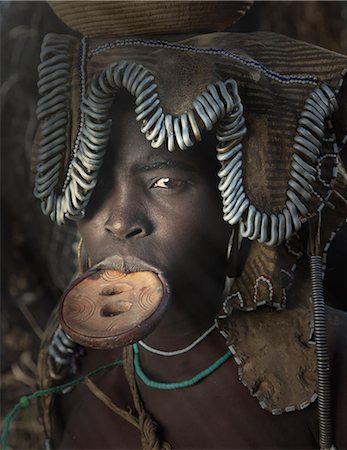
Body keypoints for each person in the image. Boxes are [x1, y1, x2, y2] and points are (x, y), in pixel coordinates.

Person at [32, 2, 347, 449]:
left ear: (239, 204)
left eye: (165, 182)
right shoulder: (70, 374)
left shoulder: (323, 369)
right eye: (92, 181)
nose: (120, 221)